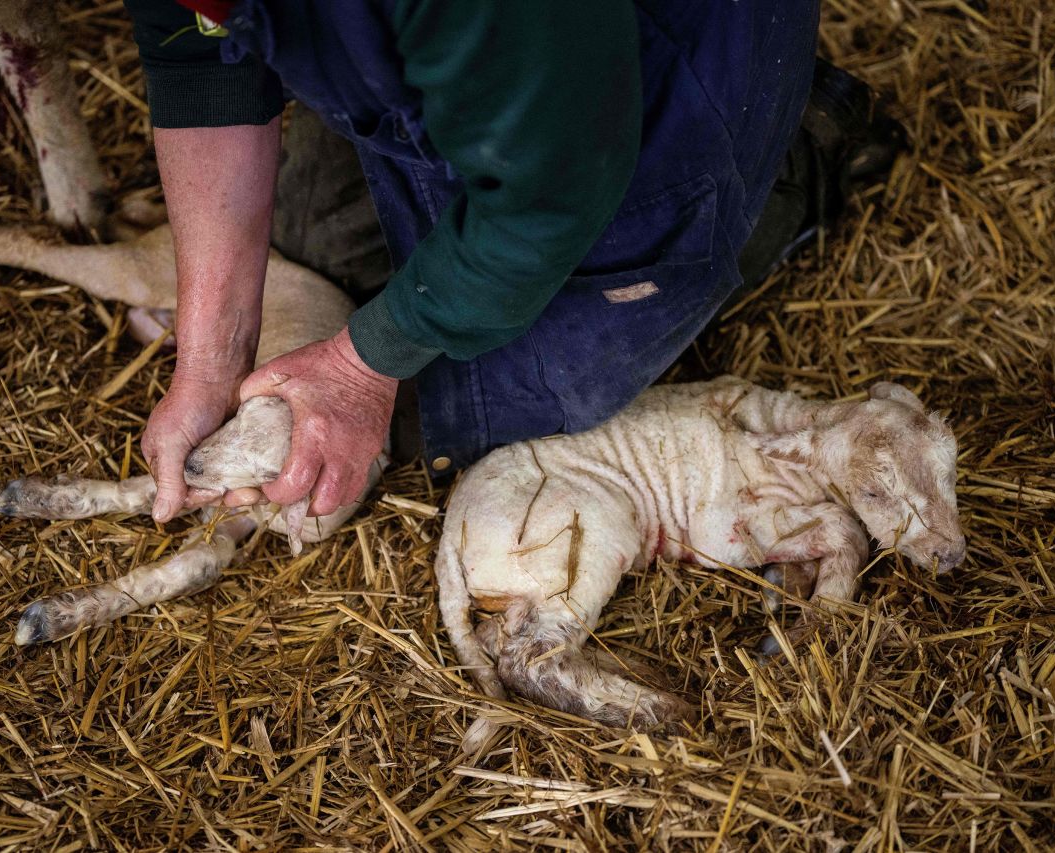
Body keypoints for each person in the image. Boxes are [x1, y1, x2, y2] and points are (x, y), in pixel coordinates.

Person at [125, 0, 899, 524]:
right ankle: (471, 107)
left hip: (615, 110)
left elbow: (549, 196)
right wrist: (208, 361)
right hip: (487, 58)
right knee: (315, 239)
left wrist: (364, 367)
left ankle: (789, 153)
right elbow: (198, 60)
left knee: (485, 409)